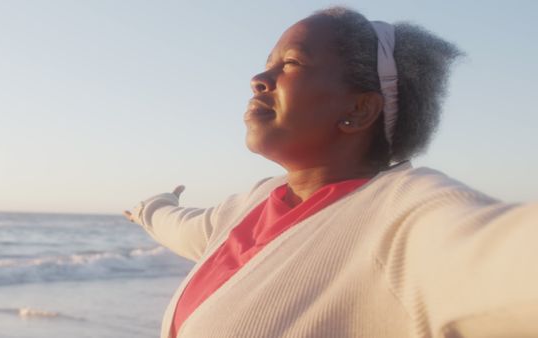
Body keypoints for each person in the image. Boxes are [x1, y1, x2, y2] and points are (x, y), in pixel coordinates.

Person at [123, 6, 538, 338]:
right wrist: (151, 207)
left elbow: (504, 259)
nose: (258, 79)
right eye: (267, 63)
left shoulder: (403, 218)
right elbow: (182, 226)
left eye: (291, 63)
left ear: (359, 109)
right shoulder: (253, 204)